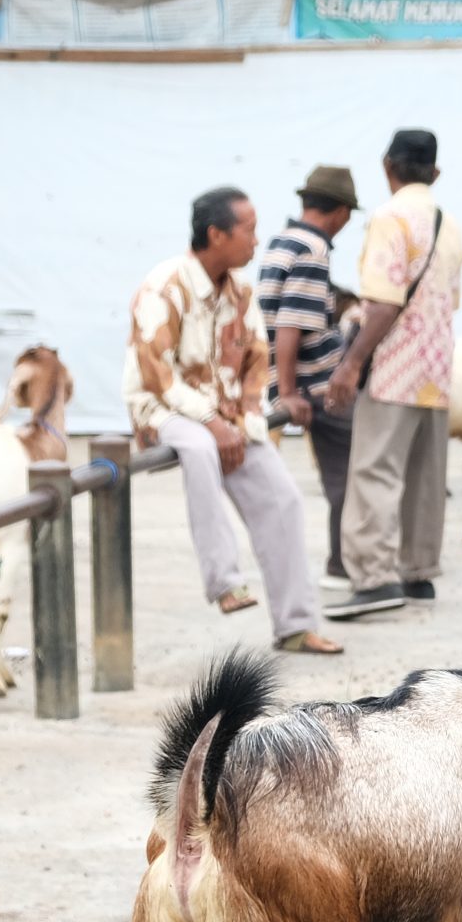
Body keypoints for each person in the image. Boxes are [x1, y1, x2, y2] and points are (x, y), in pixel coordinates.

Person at [122, 186, 342, 656]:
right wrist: (212, 423)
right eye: (249, 231)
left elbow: (256, 363)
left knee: (283, 497)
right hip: (162, 412)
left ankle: (297, 626)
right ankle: (224, 581)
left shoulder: (242, 291)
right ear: (215, 234)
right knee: (200, 447)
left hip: (223, 416)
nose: (257, 241)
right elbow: (157, 377)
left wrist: (244, 421)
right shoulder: (163, 287)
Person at [325, 129, 462, 619]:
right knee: (425, 475)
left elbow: (384, 302)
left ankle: (374, 579)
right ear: (436, 171)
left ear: (388, 166)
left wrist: (351, 363)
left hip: (394, 366)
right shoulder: (448, 223)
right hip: (438, 366)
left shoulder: (389, 217)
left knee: (375, 470)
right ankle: (417, 573)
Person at [258, 165, 361, 579]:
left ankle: (343, 562)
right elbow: (290, 324)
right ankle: (345, 565)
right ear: (340, 212)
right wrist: (289, 390)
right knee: (355, 474)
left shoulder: (282, 240)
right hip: (316, 384)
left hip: (300, 381)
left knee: (343, 477)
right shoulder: (313, 249)